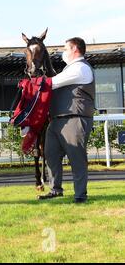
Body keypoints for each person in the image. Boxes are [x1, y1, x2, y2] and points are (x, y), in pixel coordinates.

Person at [38, 37, 95, 203]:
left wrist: (33, 83)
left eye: (66, 49)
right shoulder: (68, 69)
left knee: (76, 157)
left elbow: (52, 83)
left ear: (75, 49)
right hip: (57, 120)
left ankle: (80, 195)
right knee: (50, 154)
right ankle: (55, 189)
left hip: (75, 119)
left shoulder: (81, 69)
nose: (63, 52)